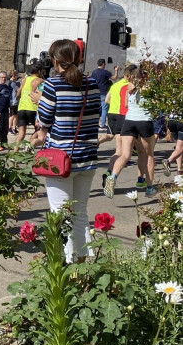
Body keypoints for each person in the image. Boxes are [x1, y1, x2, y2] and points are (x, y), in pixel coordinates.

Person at [34, 39, 100, 263]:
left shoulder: (52, 85)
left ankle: (67, 265)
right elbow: (95, 117)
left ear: (55, 60)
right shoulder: (92, 84)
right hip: (88, 157)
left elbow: (43, 120)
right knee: (80, 211)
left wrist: (39, 101)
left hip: (61, 158)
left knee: (60, 214)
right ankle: (81, 264)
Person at [104, 67, 157, 199]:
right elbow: (156, 104)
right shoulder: (150, 87)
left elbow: (126, 105)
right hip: (144, 121)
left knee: (125, 154)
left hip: (129, 120)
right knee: (148, 154)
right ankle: (149, 187)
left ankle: (113, 176)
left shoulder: (129, 87)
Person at [14, 63, 43, 150]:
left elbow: (18, 94)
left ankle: (13, 154)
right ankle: (29, 147)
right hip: (33, 108)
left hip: (22, 108)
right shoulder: (39, 80)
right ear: (39, 71)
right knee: (38, 131)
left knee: (21, 134)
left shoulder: (25, 80)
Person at [90, 59, 117, 129]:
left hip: (95, 92)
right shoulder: (105, 72)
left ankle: (94, 123)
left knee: (96, 108)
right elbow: (114, 78)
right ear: (103, 64)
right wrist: (116, 70)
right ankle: (102, 124)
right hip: (103, 92)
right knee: (104, 108)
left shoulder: (94, 72)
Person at [8, 70, 21, 135]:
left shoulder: (14, 82)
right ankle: (9, 128)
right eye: (16, 75)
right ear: (13, 75)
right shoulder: (12, 83)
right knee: (12, 115)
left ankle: (14, 127)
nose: (17, 76)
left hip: (15, 101)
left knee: (15, 115)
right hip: (12, 101)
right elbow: (17, 89)